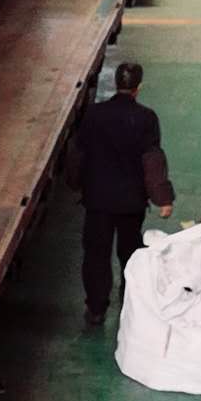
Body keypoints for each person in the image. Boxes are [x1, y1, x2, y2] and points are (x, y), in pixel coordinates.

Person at [66, 59, 175, 326]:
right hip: (131, 203)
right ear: (139, 87)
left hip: (98, 200)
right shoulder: (146, 118)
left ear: (116, 83)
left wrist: (75, 183)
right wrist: (163, 199)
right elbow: (152, 160)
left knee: (96, 255)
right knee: (130, 254)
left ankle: (96, 308)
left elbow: (78, 154)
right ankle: (130, 303)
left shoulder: (93, 114)